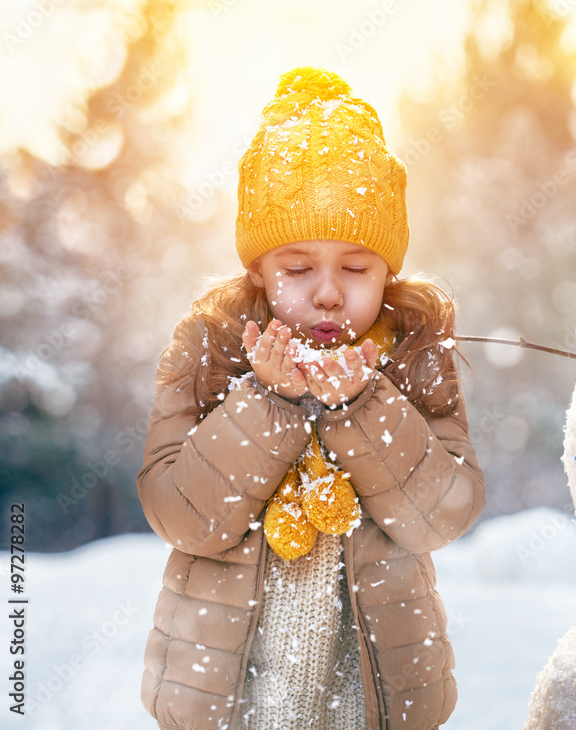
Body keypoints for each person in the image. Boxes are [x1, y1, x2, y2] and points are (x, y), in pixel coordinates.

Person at [137, 67, 485, 730]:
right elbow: (181, 515)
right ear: (259, 272)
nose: (327, 292)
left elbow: (442, 516)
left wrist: (364, 404)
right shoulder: (209, 348)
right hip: (227, 694)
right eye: (298, 268)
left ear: (388, 273)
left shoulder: (412, 356)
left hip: (371, 694)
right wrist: (268, 401)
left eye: (355, 268)